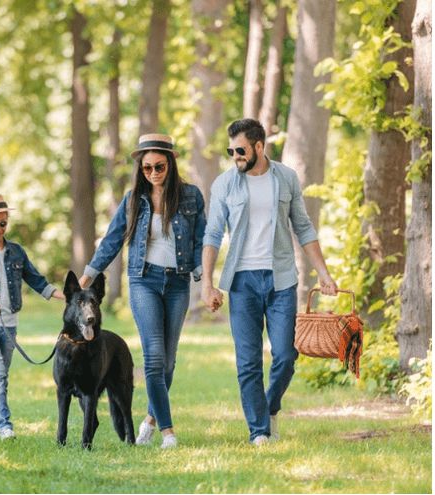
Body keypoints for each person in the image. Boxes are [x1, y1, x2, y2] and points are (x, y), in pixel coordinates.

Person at [200, 118, 337, 446]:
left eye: (241, 150)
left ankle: (269, 406)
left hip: (282, 280)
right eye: (231, 150)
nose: (235, 156)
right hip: (242, 282)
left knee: (286, 355)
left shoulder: (286, 178)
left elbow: (303, 227)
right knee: (247, 361)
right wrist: (207, 283)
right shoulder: (224, 184)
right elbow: (213, 234)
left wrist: (323, 271)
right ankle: (259, 431)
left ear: (259, 147)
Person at [78, 134, 206, 449]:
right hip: (143, 281)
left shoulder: (190, 196)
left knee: (168, 363)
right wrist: (89, 274)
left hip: (177, 282)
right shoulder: (134, 199)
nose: (152, 173)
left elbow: (201, 238)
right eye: (146, 168)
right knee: (152, 359)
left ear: (171, 163)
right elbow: (112, 239)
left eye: (159, 167)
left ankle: (150, 419)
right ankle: (168, 433)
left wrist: (205, 278)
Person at [0, 193, 64, 440]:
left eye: (2, 223)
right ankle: (6, 425)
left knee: (1, 376)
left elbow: (37, 281)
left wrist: (67, 296)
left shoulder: (17, 252)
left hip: (10, 324)